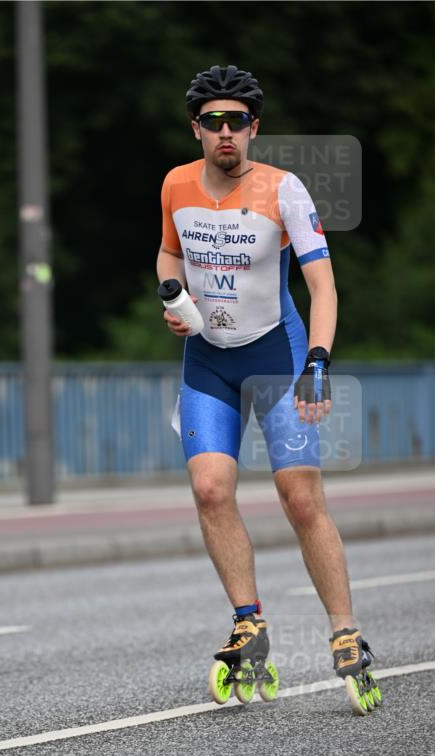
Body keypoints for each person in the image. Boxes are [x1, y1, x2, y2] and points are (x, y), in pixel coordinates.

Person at [157, 65, 379, 715]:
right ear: (195, 128)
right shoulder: (174, 184)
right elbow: (167, 255)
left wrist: (318, 358)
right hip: (207, 358)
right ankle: (248, 621)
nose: (224, 133)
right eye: (211, 122)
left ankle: (343, 629)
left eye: (236, 122)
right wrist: (173, 297)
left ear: (252, 128)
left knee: (298, 498)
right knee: (208, 489)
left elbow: (323, 286)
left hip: (277, 358)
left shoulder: (283, 190)